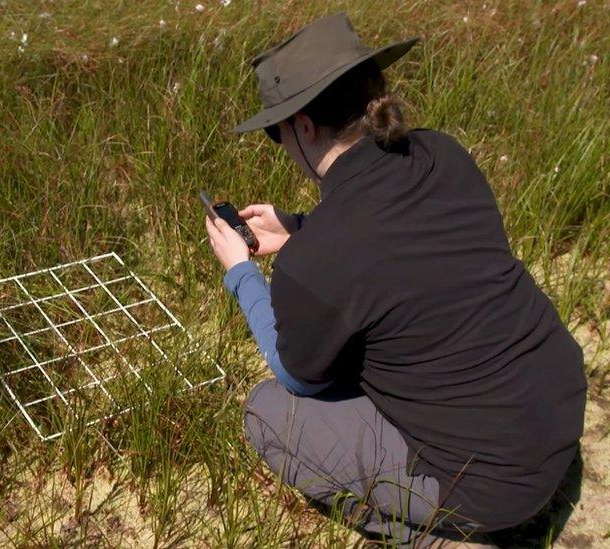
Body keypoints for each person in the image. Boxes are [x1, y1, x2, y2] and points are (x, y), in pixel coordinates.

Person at [204, 12, 587, 547]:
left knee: (268, 415)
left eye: (276, 131)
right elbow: (401, 244)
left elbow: (299, 377)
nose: (282, 143)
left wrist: (243, 273)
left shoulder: (317, 261)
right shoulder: (442, 153)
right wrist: (297, 230)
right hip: (559, 411)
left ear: (304, 126)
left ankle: (442, 539)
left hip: (489, 488)